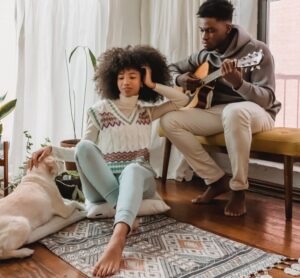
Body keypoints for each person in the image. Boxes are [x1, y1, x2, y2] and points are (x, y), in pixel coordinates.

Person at [28, 45, 189, 277]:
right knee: (84, 145)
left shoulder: (147, 112)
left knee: (134, 168)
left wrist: (154, 85)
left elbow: (183, 100)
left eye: (133, 76)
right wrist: (51, 149)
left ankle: (118, 236)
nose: (125, 82)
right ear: (112, 79)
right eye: (120, 76)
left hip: (139, 181)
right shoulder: (98, 111)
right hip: (102, 188)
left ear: (142, 80)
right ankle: (122, 209)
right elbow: (81, 154)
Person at [160, 0, 281, 217]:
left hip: (258, 112)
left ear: (227, 27)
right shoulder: (206, 54)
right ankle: (216, 180)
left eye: (211, 31)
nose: (205, 36)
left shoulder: (257, 51)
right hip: (220, 112)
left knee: (234, 112)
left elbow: (267, 99)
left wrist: (239, 84)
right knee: (168, 119)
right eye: (202, 30)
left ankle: (238, 189)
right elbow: (170, 69)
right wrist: (180, 79)